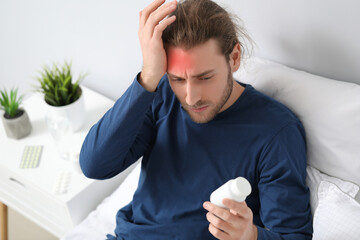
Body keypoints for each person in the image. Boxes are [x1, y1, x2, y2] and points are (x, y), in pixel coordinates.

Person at [79, 0, 313, 239]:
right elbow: (94, 166)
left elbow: (293, 235)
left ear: (234, 57)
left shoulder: (275, 131)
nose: (191, 98)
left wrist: (251, 236)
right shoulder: (158, 95)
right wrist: (148, 77)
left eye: (205, 78)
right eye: (178, 79)